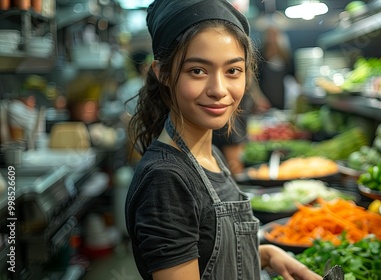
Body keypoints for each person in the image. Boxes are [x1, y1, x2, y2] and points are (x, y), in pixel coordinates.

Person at [125, 1, 323, 280]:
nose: (219, 90)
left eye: (232, 71)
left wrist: (266, 254)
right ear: (164, 74)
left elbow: (210, 251)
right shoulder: (166, 180)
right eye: (197, 70)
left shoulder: (210, 154)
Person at [258, 26, 295, 110]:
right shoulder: (260, 56)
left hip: (284, 101)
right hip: (265, 103)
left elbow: (293, 79)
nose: (272, 38)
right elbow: (254, 81)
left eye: (274, 35)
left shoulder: (287, 57)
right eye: (269, 35)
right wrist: (259, 98)